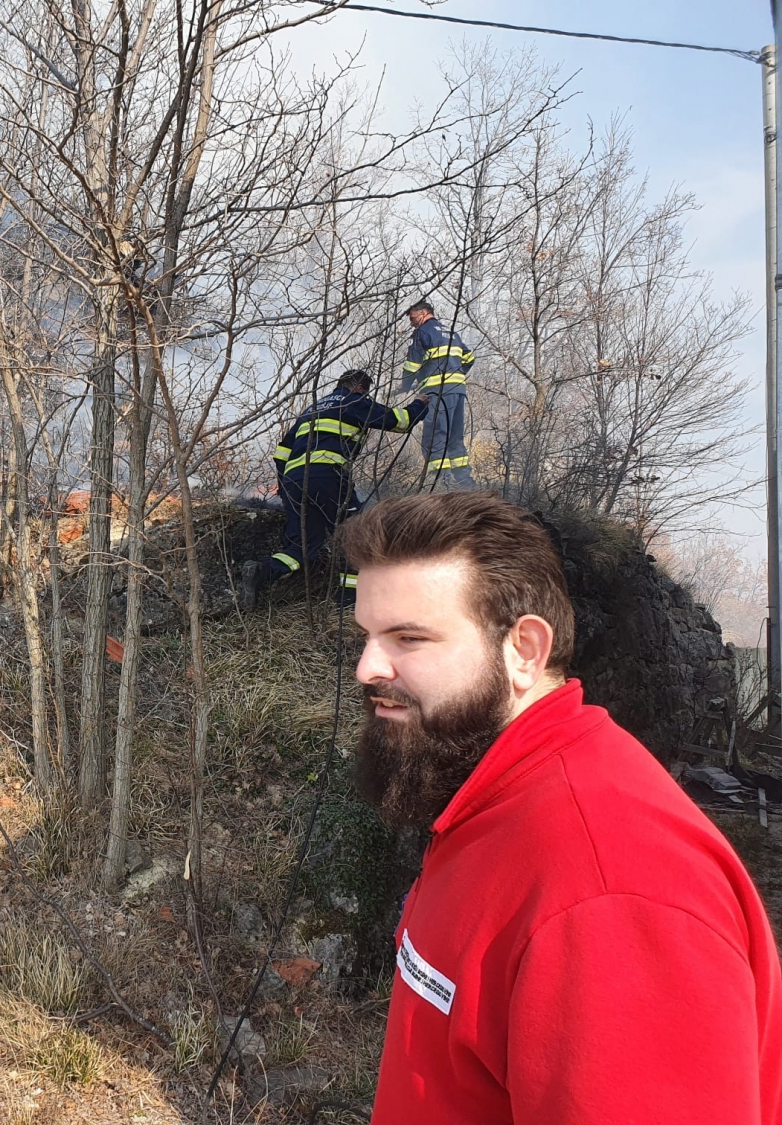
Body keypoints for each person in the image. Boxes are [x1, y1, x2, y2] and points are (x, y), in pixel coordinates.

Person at [340, 491, 782, 1124]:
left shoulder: (611, 895)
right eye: (368, 635)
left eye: (408, 637)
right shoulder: (493, 790)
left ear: (524, 649)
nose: (366, 667)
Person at [238, 370, 427, 611]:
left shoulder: (311, 410)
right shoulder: (355, 401)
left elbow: (281, 453)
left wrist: (285, 487)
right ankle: (349, 602)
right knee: (359, 533)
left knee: (300, 547)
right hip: (329, 476)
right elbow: (400, 421)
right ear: (359, 386)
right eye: (366, 390)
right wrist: (419, 404)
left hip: (295, 481)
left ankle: (261, 571)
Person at [401, 300, 475, 490]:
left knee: (434, 436)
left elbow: (412, 364)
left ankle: (442, 486)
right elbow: (469, 358)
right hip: (458, 391)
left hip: (438, 393)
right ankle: (467, 486)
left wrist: (405, 385)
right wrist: (455, 374)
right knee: (455, 437)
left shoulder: (422, 333)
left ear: (424, 313)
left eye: (412, 317)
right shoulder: (451, 333)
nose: (411, 323)